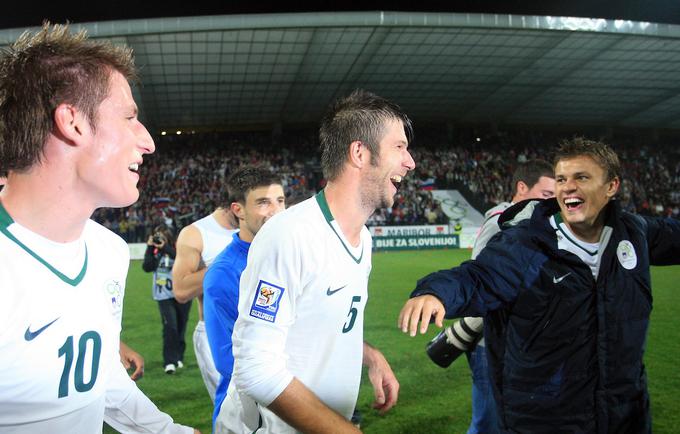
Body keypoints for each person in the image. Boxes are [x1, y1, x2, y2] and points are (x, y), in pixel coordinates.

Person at [399, 137, 680, 433]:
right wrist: (435, 292)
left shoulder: (633, 232)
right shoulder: (527, 242)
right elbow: (477, 276)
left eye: (581, 177)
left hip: (625, 415)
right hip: (549, 418)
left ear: (611, 186)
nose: (568, 186)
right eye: (561, 179)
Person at [0, 23, 196, 432]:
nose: (148, 142)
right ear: (73, 123)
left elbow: (102, 379)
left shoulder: (109, 251)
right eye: (129, 117)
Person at [220, 89, 414, 434]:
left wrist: (369, 355)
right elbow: (255, 366)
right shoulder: (290, 235)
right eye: (399, 147)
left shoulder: (363, 239)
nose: (410, 161)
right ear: (359, 152)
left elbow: (322, 325)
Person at [446, 159, 554, 434]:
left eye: (555, 197)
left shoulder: (540, 224)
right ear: (521, 187)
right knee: (489, 426)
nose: (551, 203)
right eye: (545, 195)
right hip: (491, 344)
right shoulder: (501, 222)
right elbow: (480, 281)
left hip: (523, 344)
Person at [203, 166, 286, 430]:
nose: (275, 211)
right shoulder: (224, 273)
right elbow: (228, 359)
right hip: (247, 414)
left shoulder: (289, 256)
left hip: (290, 399)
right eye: (263, 202)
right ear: (238, 210)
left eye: (280, 201)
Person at [172, 205, 237, 400]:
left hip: (260, 330)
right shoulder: (197, 233)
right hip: (216, 334)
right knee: (234, 413)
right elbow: (181, 290)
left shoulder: (265, 227)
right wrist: (227, 263)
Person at [143, 224, 192, 374]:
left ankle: (178, 356)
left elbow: (182, 260)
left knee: (181, 327)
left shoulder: (179, 248)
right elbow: (147, 267)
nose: (160, 238)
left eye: (163, 235)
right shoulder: (155, 250)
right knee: (170, 326)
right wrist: (151, 248)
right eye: (157, 235)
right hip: (163, 294)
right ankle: (169, 362)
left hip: (182, 292)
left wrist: (165, 248)